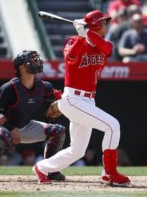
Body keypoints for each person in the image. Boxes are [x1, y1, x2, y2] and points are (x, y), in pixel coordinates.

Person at [33, 10, 130, 186]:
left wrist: (89, 33)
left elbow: (107, 49)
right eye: (104, 23)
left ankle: (42, 167)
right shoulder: (73, 42)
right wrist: (80, 36)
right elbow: (70, 57)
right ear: (95, 25)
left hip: (88, 100)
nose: (107, 25)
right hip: (73, 99)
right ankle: (109, 173)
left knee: (77, 150)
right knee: (113, 126)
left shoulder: (103, 44)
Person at [0, 50, 66, 181]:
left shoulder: (45, 86)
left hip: (25, 124)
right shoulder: (9, 88)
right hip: (2, 123)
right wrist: (11, 129)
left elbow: (56, 101)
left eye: (36, 59)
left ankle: (51, 170)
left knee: (58, 131)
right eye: (32, 60)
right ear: (21, 67)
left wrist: (60, 106)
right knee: (2, 138)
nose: (37, 62)